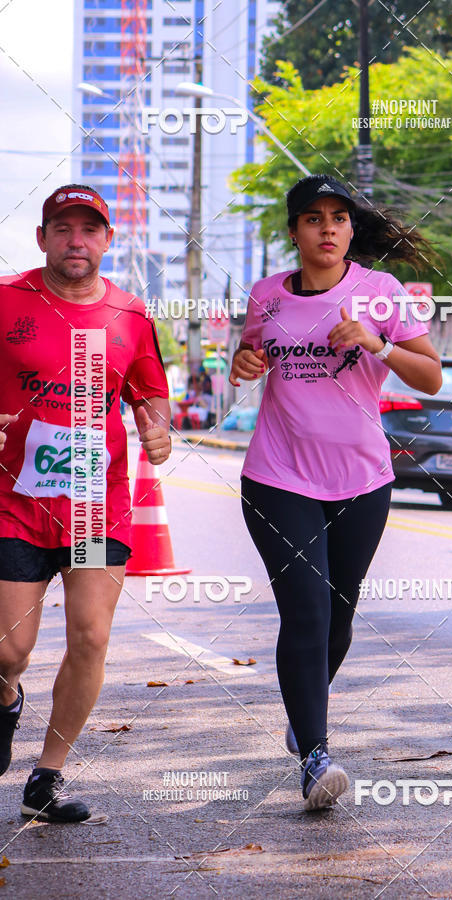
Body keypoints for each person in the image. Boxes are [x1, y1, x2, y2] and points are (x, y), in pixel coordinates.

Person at [229, 174, 442, 811]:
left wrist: (376, 342)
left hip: (362, 480)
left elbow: (430, 376)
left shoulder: (381, 293)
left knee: (339, 617)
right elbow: (251, 356)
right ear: (293, 231)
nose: (328, 229)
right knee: (308, 613)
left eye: (339, 218)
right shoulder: (267, 296)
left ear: (351, 229)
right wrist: (244, 363)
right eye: (314, 218)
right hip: (277, 476)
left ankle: (305, 705)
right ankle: (316, 757)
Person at [0, 184, 171, 822]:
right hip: (13, 499)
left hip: (93, 505)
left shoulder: (129, 313)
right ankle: (8, 698)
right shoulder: (6, 298)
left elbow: (150, 394)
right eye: (63, 229)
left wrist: (157, 428)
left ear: (106, 239)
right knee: (8, 651)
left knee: (91, 636)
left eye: (90, 230)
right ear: (42, 237)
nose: (77, 241)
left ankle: (47, 778)